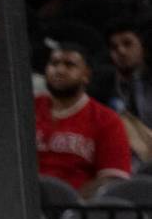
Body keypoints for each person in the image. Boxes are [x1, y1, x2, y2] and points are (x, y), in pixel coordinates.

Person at [35, 43, 132, 197]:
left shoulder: (107, 119)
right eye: (54, 63)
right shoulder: (26, 108)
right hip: (19, 208)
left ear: (86, 74)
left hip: (77, 213)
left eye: (69, 65)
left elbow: (113, 178)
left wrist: (70, 204)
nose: (59, 70)